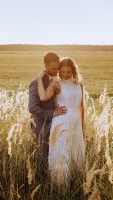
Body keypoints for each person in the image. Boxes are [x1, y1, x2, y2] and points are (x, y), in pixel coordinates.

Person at [36, 57, 85, 188]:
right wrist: (39, 79)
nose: (65, 74)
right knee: (62, 152)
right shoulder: (56, 84)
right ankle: (60, 186)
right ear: (59, 71)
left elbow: (81, 106)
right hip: (62, 121)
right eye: (62, 71)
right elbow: (43, 97)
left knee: (76, 151)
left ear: (73, 71)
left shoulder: (78, 84)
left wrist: (82, 125)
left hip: (76, 122)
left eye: (68, 72)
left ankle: (75, 183)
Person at [28, 52, 67, 169]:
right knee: (43, 156)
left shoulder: (56, 81)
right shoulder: (36, 82)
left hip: (55, 124)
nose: (56, 71)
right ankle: (41, 182)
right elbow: (32, 107)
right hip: (41, 125)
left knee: (54, 155)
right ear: (45, 65)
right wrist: (53, 113)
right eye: (53, 69)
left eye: (58, 68)